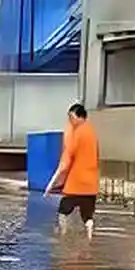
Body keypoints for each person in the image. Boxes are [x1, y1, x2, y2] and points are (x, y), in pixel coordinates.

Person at [46, 103, 100, 240]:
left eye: (71, 117)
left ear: (80, 117)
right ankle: (89, 238)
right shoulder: (92, 132)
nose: (70, 120)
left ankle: (63, 235)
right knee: (87, 216)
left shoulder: (78, 132)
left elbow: (67, 158)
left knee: (63, 210)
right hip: (91, 184)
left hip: (77, 184)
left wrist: (51, 184)